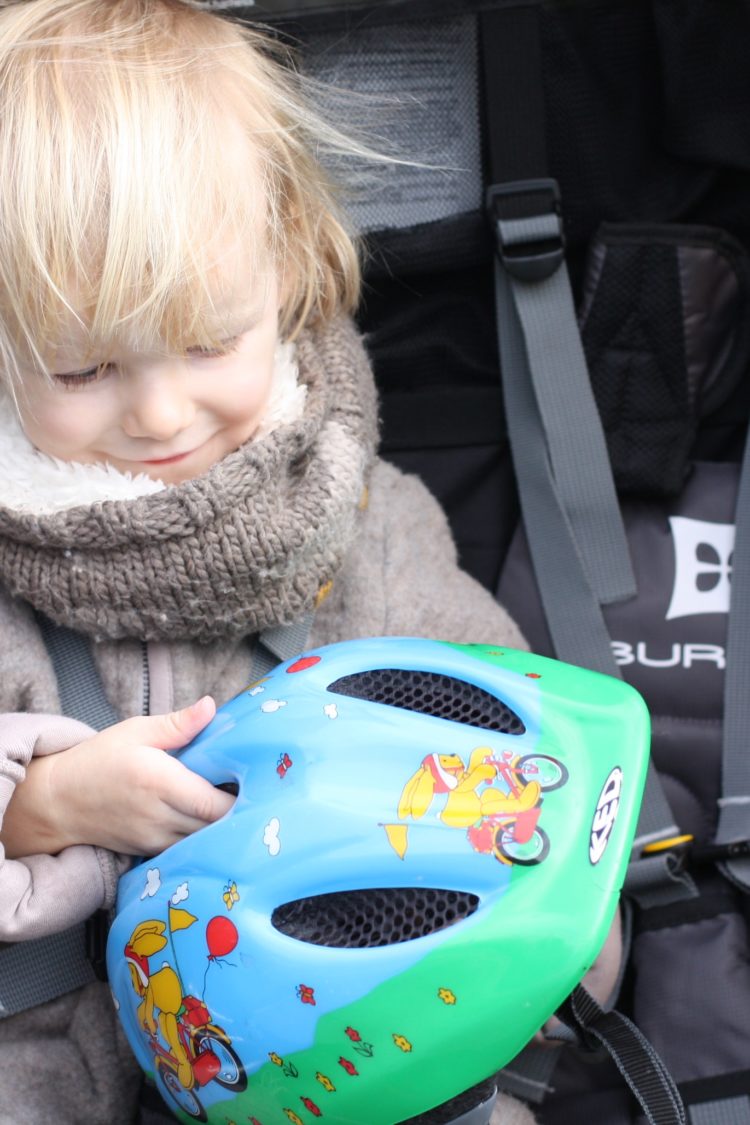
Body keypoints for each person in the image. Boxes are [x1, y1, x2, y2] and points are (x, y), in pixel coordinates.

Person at [0, 2, 540, 1123]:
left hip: (345, 1061)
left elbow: (508, 733)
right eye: (83, 366)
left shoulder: (368, 519)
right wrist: (40, 811)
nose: (159, 411)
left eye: (206, 342)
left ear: (286, 265)